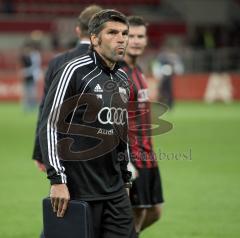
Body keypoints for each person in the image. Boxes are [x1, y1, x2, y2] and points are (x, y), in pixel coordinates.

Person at [39, 9, 136, 238]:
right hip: (78, 191)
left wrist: (125, 179)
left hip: (115, 193)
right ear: (94, 39)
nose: (121, 38)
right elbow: (50, 125)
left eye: (124, 33)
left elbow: (121, 134)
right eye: (112, 32)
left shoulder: (123, 78)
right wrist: (57, 180)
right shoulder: (73, 71)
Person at [32, 5, 103, 171]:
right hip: (104, 148)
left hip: (64, 148)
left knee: (67, 195)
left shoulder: (58, 62)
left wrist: (40, 151)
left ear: (78, 30)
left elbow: (46, 109)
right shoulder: (113, 64)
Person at [121, 16, 164, 237]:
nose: (136, 41)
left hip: (147, 153)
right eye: (131, 36)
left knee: (155, 212)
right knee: (135, 214)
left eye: (141, 36)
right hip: (132, 156)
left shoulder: (138, 71)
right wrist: (124, 159)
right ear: (122, 39)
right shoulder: (118, 74)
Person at [19, 40, 42, 112]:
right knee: (27, 92)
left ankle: (32, 105)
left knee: (32, 92)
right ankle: (27, 106)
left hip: (31, 76)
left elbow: (35, 66)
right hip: (28, 77)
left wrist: (25, 72)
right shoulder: (26, 56)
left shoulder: (33, 55)